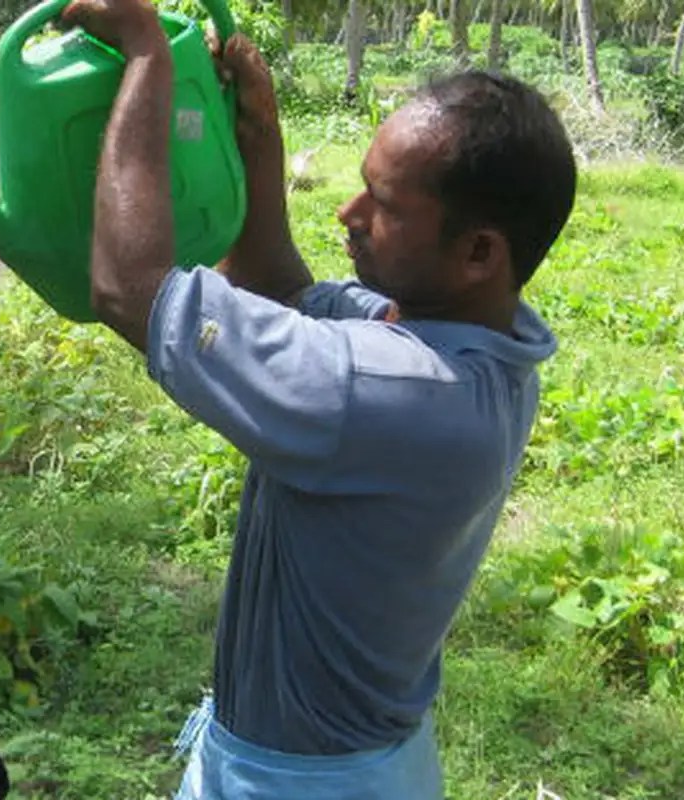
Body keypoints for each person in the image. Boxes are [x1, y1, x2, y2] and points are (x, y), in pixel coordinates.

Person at [57, 0, 577, 797]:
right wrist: (259, 136)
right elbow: (280, 289)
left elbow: (129, 289)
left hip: (299, 783)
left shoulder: (388, 388)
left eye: (384, 205)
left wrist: (147, 60)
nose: (349, 213)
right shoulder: (482, 346)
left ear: (479, 252)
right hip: (361, 763)